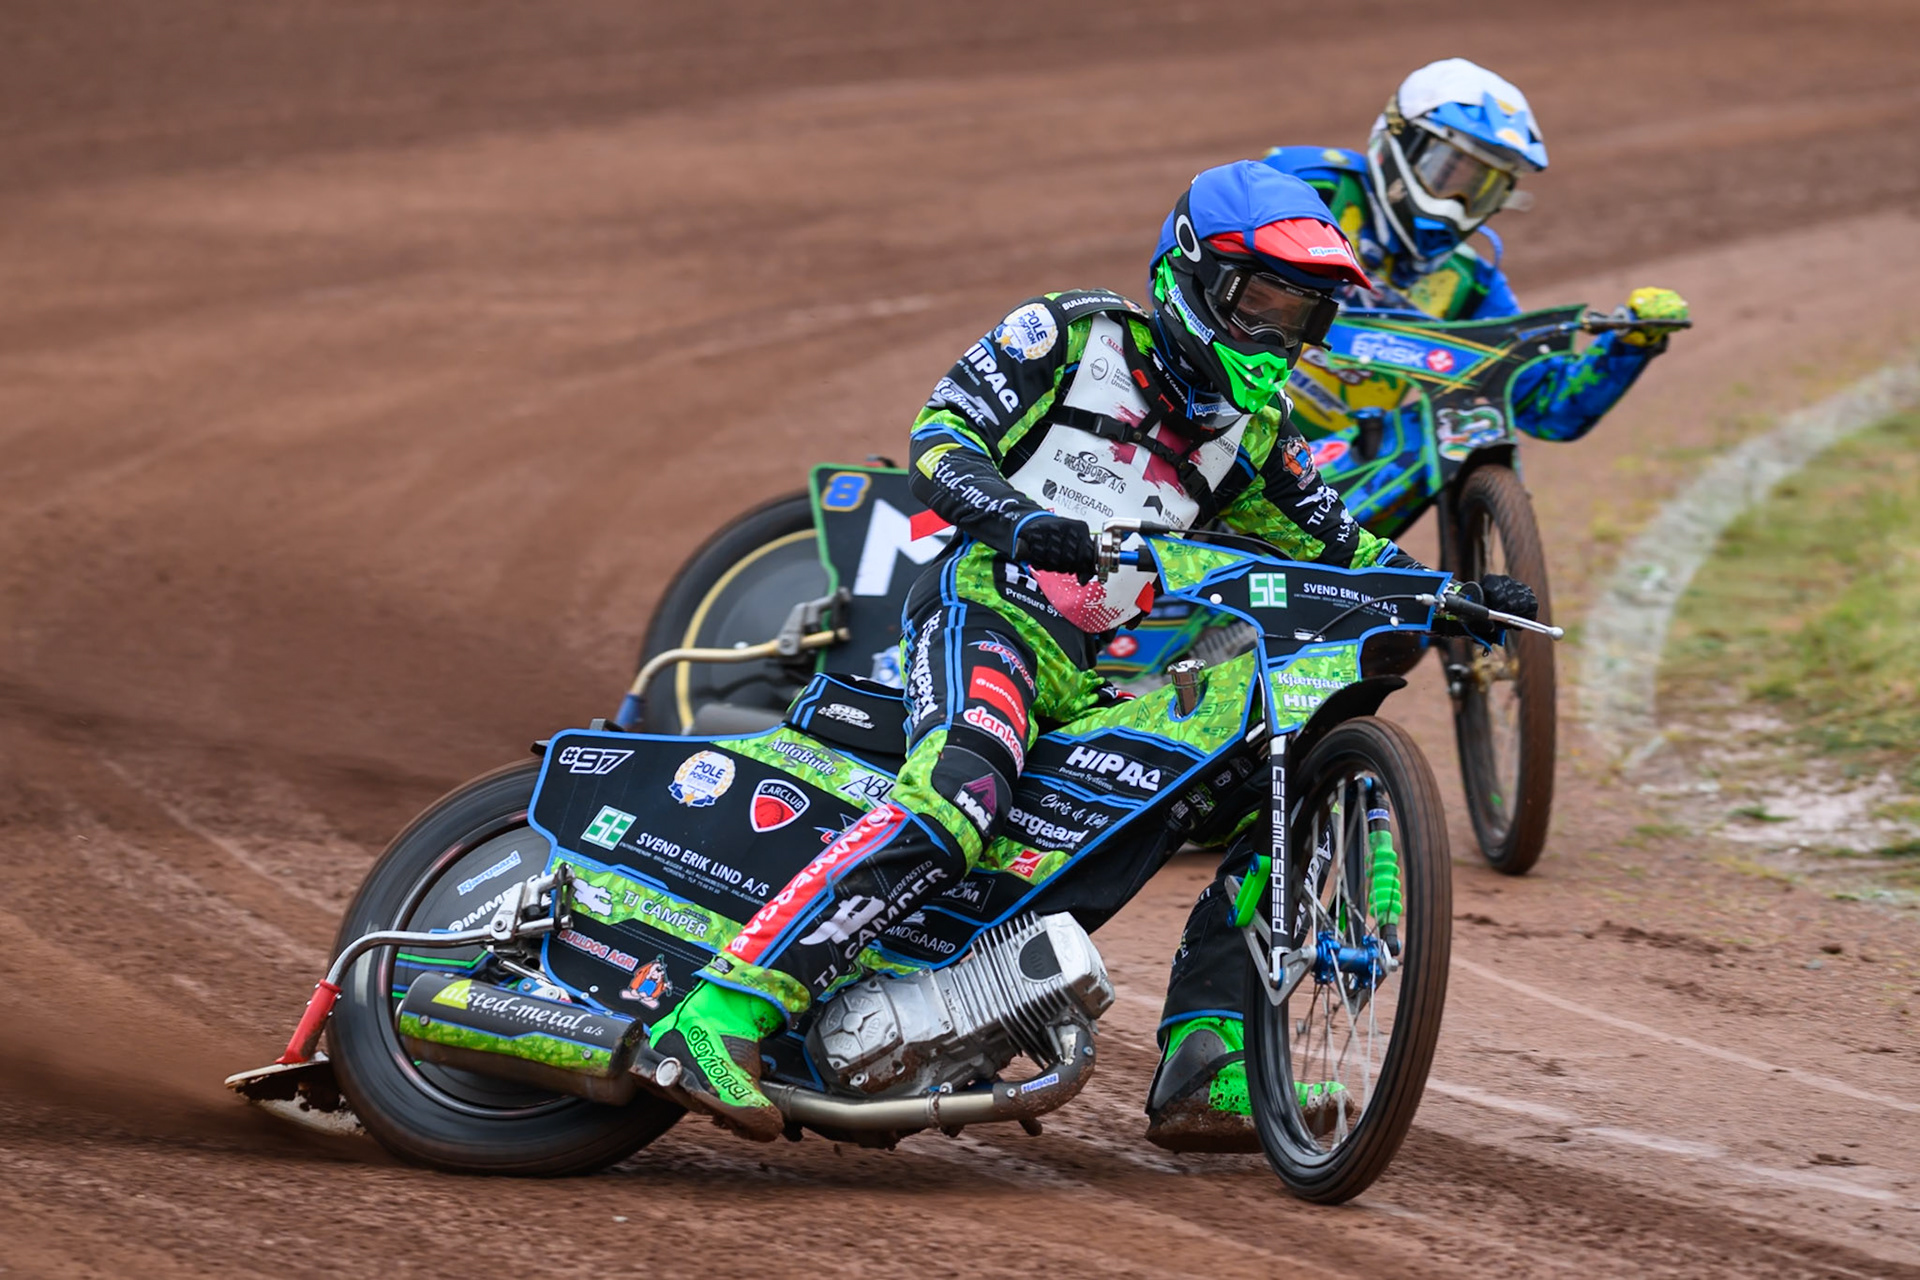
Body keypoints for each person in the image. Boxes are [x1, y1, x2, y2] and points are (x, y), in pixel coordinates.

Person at [633, 161, 1535, 1143]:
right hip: (997, 611)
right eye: (1265, 301)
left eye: (1304, 315)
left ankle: (1207, 1051)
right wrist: (1023, 523)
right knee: (963, 792)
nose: (1280, 335)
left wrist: (1450, 593)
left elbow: (1339, 542)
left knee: (1271, 781)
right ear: (1195, 277)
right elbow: (940, 442)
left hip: (1124, 666)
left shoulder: (1254, 426)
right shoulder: (1070, 334)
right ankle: (717, 1013)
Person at [1263, 57, 1689, 443]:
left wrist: (1630, 344)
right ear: (1401, 139)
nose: (1458, 204)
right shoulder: (1310, 185)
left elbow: (1549, 407)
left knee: (1459, 424)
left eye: (1482, 189)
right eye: (1450, 172)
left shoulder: (1470, 283)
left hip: (1321, 476)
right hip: (1223, 415)